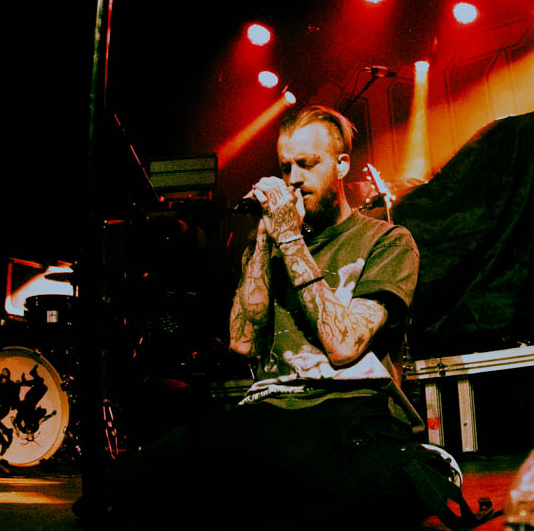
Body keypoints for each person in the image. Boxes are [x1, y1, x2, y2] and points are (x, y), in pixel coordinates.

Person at [82, 105, 480, 529]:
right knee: (127, 486)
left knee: (348, 501)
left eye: (308, 164)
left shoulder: (387, 240)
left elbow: (345, 347)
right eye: (286, 167)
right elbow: (243, 343)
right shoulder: (272, 245)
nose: (294, 179)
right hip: (272, 408)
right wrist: (264, 239)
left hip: (351, 408)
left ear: (342, 165)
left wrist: (290, 238)